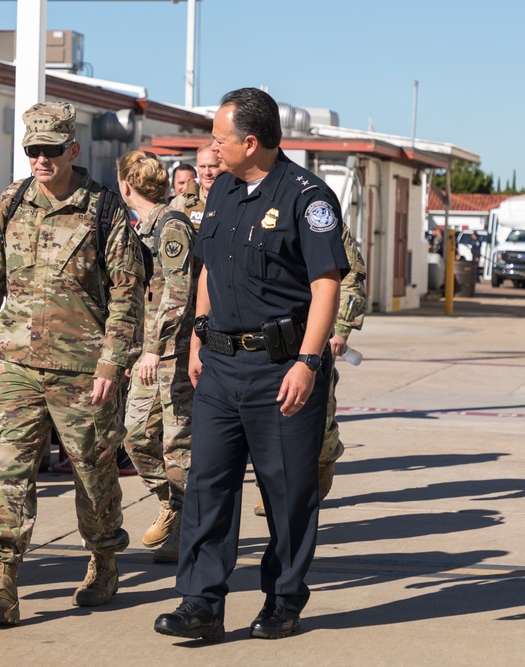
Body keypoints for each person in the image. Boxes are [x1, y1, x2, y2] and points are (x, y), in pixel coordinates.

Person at [153, 88, 350, 642]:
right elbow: (210, 272)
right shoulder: (224, 195)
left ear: (251, 141)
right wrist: (198, 336)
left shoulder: (306, 198)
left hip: (280, 366)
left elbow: (325, 284)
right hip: (219, 365)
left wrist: (309, 362)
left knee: (286, 491)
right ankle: (201, 601)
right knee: (207, 484)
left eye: (220, 138)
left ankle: (283, 599)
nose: (212, 149)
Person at [0, 102, 145, 626]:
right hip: (16, 363)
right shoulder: (11, 204)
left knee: (92, 472)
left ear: (72, 149)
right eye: (32, 150)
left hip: (83, 369)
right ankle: (0, 583)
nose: (40, 159)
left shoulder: (103, 211)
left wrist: (112, 362)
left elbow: (128, 294)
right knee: (9, 469)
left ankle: (104, 559)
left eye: (51, 150)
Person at [116, 150, 196, 564]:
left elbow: (177, 295)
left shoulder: (171, 226)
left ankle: (185, 528)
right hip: (150, 355)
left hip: (174, 354)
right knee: (135, 435)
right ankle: (173, 502)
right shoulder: (142, 228)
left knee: (177, 442)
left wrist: (152, 348)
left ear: (126, 186)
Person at [255, 224, 366, 516]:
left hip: (314, 333)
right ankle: (276, 488)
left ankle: (324, 458)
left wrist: (340, 329)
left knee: (319, 415)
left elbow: (351, 277)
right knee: (266, 417)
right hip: (266, 333)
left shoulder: (322, 220)